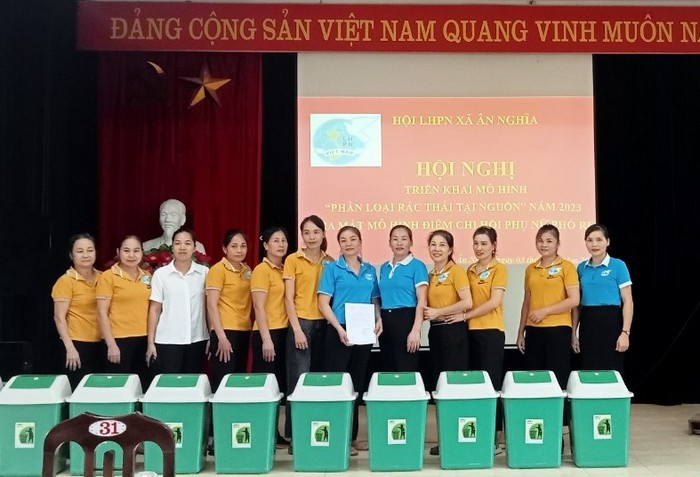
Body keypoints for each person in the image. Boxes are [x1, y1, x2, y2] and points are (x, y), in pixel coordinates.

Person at [318, 225, 383, 455]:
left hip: (363, 331)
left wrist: (379, 318)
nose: (348, 243)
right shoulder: (332, 268)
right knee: (338, 385)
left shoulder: (369, 270)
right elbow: (323, 303)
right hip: (339, 331)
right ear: (339, 244)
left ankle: (352, 437)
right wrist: (338, 328)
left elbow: (374, 300)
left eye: (353, 239)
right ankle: (337, 437)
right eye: (343, 240)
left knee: (356, 384)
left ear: (360, 242)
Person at [282, 215, 333, 449]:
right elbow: (288, 298)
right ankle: (296, 435)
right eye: (306, 232)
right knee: (298, 380)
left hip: (325, 324)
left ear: (323, 234)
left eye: (316, 232)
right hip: (301, 323)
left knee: (320, 381)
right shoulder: (293, 259)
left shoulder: (331, 262)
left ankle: (318, 430)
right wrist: (296, 329)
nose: (311, 237)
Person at [423, 229, 472, 456]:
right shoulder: (431, 274)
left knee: (453, 386)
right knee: (440, 386)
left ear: (450, 249)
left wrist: (438, 312)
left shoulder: (457, 271)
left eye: (442, 245)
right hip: (436, 333)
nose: (437, 249)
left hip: (453, 332)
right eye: (433, 244)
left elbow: (467, 302)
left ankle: (457, 439)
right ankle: (445, 439)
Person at [517, 224, 580, 391]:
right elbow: (527, 302)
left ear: (558, 243)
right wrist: (521, 332)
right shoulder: (531, 269)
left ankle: (558, 408)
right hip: (533, 330)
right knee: (536, 378)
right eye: (540, 240)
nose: (544, 244)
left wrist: (545, 311)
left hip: (558, 330)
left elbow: (574, 300)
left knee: (558, 378)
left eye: (549, 241)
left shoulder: (567, 267)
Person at [464, 226, 508, 452]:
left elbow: (494, 302)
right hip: (470, 333)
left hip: (491, 331)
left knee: (492, 384)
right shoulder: (469, 270)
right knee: (476, 385)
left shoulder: (499, 269)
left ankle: (497, 437)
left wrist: (466, 316)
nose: (479, 248)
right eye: (476, 243)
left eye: (484, 244)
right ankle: (480, 433)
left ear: (493, 246)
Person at [572, 224, 633, 375]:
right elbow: (577, 305)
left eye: (599, 240)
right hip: (588, 322)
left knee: (611, 369)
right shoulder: (581, 268)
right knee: (589, 368)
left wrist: (625, 333)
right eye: (590, 240)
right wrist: (574, 333)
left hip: (610, 322)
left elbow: (628, 301)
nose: (594, 244)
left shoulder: (618, 265)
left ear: (608, 241)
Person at [146, 227, 209, 375]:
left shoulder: (204, 273)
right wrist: (150, 343)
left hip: (197, 339)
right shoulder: (161, 275)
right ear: (172, 247)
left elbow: (209, 308)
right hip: (168, 340)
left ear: (194, 247)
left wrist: (211, 336)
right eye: (178, 243)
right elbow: (155, 309)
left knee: (193, 384)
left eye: (187, 243)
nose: (182, 247)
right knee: (169, 384)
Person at [251, 226, 290, 447]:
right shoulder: (261, 270)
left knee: (277, 387)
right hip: (267, 334)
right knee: (265, 386)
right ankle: (263, 432)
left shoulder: (284, 269)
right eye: (275, 241)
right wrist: (266, 339)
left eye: (283, 240)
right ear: (265, 245)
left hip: (283, 332)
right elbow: (259, 307)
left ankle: (274, 433)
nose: (280, 245)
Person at [96, 235, 152, 389]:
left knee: (141, 386)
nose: (131, 255)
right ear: (118, 252)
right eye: (126, 251)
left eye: (136, 251)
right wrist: (111, 345)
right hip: (118, 340)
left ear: (142, 252)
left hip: (144, 339)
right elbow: (101, 313)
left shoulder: (147, 276)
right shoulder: (108, 276)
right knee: (118, 387)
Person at [51, 233, 102, 389]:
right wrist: (70, 348)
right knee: (79, 390)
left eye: (90, 250)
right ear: (71, 255)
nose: (86, 255)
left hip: (102, 343)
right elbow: (59, 317)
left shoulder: (104, 278)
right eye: (80, 251)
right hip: (77, 344)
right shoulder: (65, 281)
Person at [205, 228, 252, 390]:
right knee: (223, 380)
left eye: (243, 246)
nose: (239, 250)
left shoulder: (247, 271)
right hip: (225, 331)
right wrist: (221, 337)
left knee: (238, 380)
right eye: (234, 246)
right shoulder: (217, 270)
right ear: (224, 249)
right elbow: (211, 305)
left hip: (244, 330)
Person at [377, 225, 428, 372]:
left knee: (406, 367)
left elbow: (422, 300)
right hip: (386, 320)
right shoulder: (384, 267)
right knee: (388, 367)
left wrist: (416, 330)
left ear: (411, 242)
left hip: (406, 319)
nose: (399, 243)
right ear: (389, 243)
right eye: (395, 239)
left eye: (404, 239)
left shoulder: (417, 266)